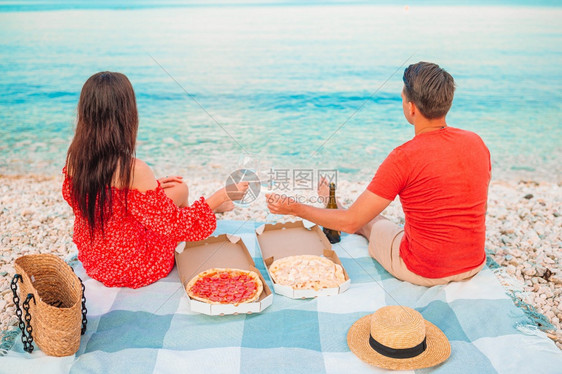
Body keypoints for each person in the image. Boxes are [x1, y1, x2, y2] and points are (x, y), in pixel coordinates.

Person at [267, 62, 491, 287]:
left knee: (370, 221)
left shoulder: (404, 156)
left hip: (424, 271)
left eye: (403, 99)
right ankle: (336, 204)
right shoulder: (476, 142)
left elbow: (351, 224)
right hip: (473, 264)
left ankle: (334, 204)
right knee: (373, 218)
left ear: (411, 107)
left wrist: (294, 208)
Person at [63, 72, 248, 288]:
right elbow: (173, 225)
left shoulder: (75, 158)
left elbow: (103, 200)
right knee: (180, 219)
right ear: (126, 114)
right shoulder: (133, 169)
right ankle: (209, 215)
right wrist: (222, 194)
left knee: (178, 188)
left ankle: (207, 214)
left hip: (96, 260)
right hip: (134, 267)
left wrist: (150, 188)